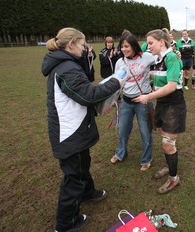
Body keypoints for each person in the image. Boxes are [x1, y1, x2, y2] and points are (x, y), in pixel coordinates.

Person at [41, 27, 123, 231]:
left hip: (76, 129)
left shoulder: (67, 64)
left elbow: (83, 89)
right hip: (69, 133)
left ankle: (87, 193)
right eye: (81, 44)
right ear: (71, 45)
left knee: (82, 163)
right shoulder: (66, 68)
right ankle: (66, 223)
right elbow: (88, 95)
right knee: (73, 177)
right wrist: (115, 83)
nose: (85, 47)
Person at [134, 28, 186, 194]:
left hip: (173, 103)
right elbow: (140, 51)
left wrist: (148, 97)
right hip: (161, 102)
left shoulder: (171, 57)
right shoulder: (157, 58)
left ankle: (173, 178)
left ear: (161, 42)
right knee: (164, 138)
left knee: (167, 144)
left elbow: (171, 86)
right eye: (147, 43)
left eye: (151, 43)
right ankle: (170, 165)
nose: (148, 46)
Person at [110, 33, 155, 171]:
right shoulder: (119, 62)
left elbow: (162, 58)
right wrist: (113, 100)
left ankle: (146, 159)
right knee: (123, 130)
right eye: (122, 47)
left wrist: (175, 54)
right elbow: (116, 82)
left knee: (145, 131)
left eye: (126, 46)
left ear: (134, 46)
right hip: (126, 101)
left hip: (143, 101)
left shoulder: (146, 57)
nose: (123, 49)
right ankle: (120, 153)